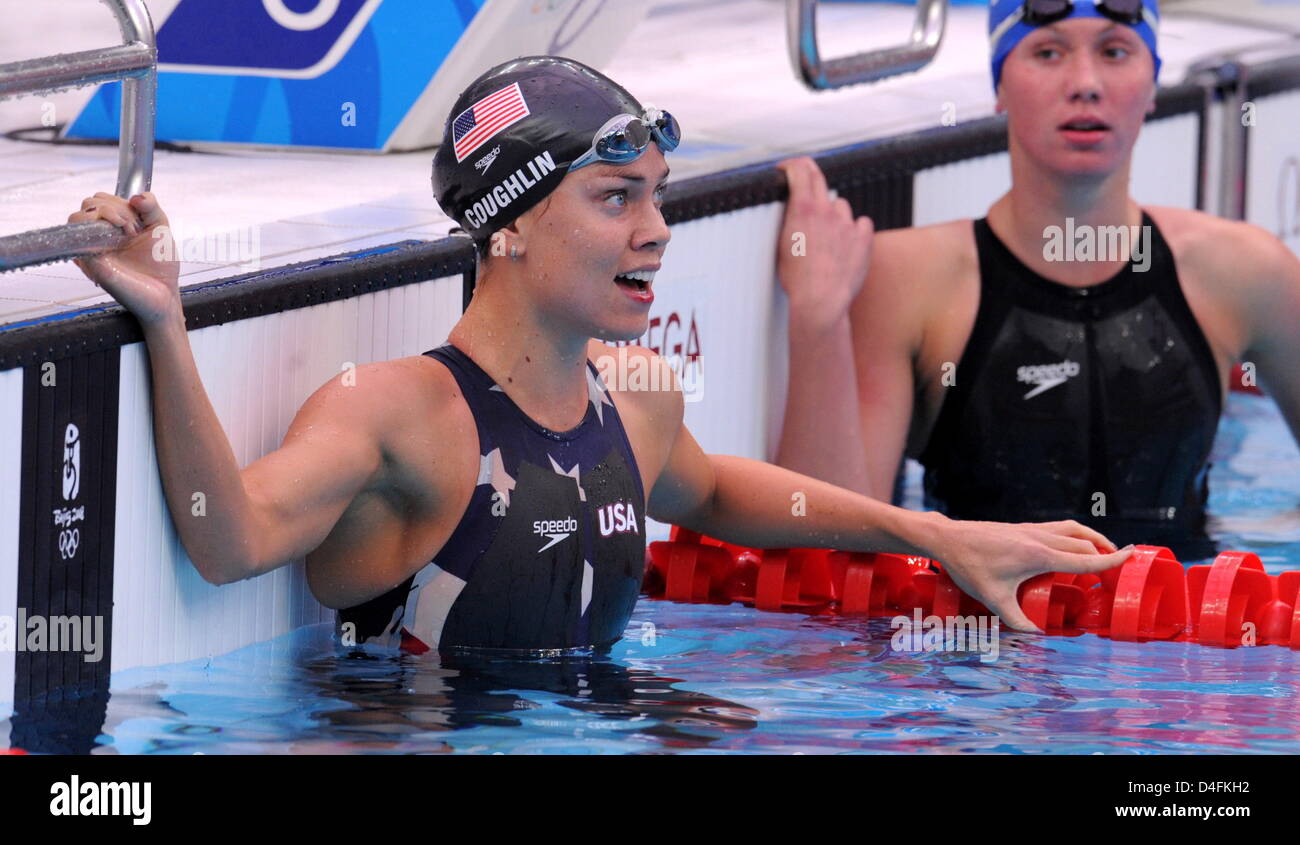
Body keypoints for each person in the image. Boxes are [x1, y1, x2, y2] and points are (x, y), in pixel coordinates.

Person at [70, 56, 1132, 648]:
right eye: (616, 198)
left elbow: (718, 494)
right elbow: (226, 541)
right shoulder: (395, 416)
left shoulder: (636, 396)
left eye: (656, 198)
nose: (656, 230)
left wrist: (932, 532)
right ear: (512, 225)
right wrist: (167, 322)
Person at [775, 0, 1300, 561]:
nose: (1085, 83)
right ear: (999, 83)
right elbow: (829, 564)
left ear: (1152, 86)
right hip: (982, 643)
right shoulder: (907, 281)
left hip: (1190, 636)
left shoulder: (1243, 271)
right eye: (1047, 52)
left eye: (1115, 50)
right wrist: (818, 323)